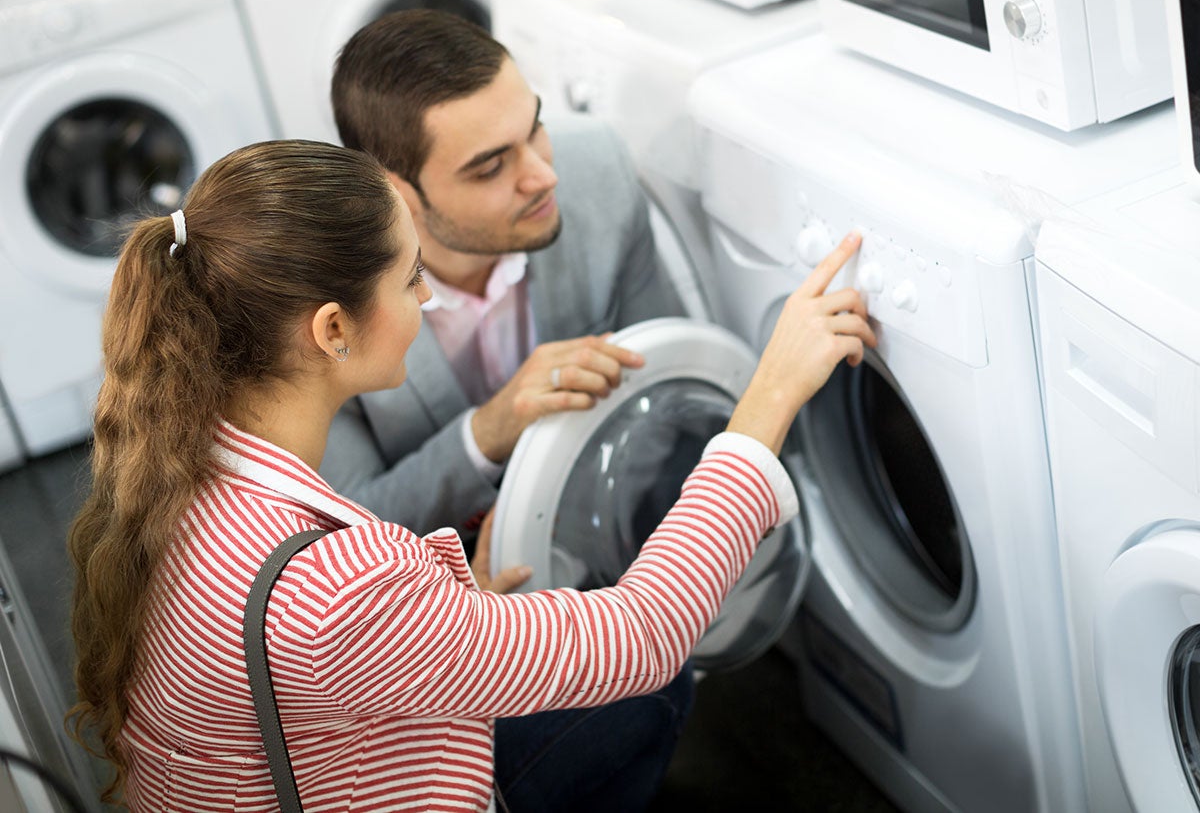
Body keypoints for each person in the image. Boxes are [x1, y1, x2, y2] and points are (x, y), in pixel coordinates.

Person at [67, 140, 874, 812]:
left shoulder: (185, 463)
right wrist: (769, 398)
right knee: (648, 691)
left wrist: (445, 619)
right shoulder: (335, 594)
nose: (426, 296)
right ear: (333, 329)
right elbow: (646, 637)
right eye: (410, 278)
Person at [323, 9, 687, 549]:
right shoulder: (322, 298)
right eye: (491, 167)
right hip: (438, 597)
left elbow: (670, 381)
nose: (545, 176)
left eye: (535, 127)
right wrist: (489, 430)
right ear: (396, 194)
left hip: (614, 531)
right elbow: (344, 536)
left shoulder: (599, 167)